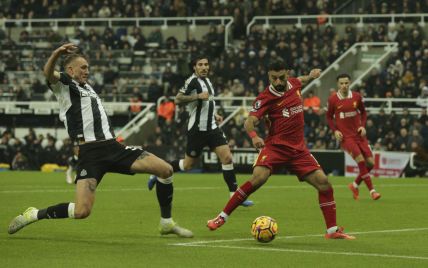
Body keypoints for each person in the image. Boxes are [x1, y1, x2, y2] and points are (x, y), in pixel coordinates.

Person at [7, 43, 193, 238]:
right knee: (81, 211)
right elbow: (48, 73)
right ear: (70, 70)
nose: (88, 70)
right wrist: (57, 53)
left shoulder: (88, 88)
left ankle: (166, 222)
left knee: (165, 169)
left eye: (88, 67)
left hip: (114, 147)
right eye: (83, 67)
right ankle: (35, 214)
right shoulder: (64, 85)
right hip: (91, 154)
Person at [207, 61, 355, 240]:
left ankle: (332, 231)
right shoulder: (265, 98)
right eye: (273, 78)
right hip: (276, 147)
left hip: (298, 150)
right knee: (257, 178)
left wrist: (311, 75)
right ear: (269, 76)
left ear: (288, 74)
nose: (277, 81)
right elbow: (249, 121)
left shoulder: (294, 83)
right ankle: (221, 217)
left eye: (281, 77)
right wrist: (254, 136)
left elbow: (300, 79)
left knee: (324, 183)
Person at [147, 55, 253, 207]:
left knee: (227, 158)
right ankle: (158, 172)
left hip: (212, 128)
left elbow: (207, 102)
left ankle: (235, 196)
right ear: (194, 67)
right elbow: (177, 99)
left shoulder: (208, 81)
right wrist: (197, 96)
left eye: (206, 64)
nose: (204, 67)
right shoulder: (192, 81)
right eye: (201, 64)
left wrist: (214, 114)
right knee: (188, 164)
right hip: (197, 130)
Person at [326, 74, 381, 201]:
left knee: (371, 164)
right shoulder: (333, 99)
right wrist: (335, 131)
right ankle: (372, 191)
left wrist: (362, 126)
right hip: (347, 138)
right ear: (337, 84)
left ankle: (354, 185)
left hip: (359, 135)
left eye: (346, 83)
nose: (344, 85)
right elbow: (329, 117)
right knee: (361, 161)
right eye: (341, 83)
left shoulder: (356, 96)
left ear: (350, 83)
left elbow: (363, 112)